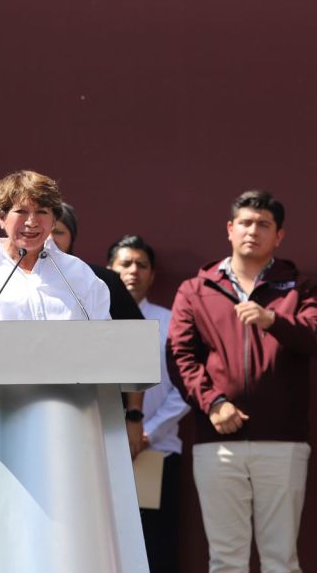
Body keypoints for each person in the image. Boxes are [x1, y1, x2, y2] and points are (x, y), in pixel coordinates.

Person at [167, 190, 317, 573]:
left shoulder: (300, 286)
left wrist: (273, 320)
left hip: (283, 441)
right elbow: (179, 356)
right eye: (245, 222)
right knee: (226, 560)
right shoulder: (196, 289)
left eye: (263, 224)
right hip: (218, 441)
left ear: (279, 235)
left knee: (281, 560)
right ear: (230, 229)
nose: (252, 231)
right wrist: (213, 403)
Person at [0, 170, 110, 457]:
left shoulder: (79, 275)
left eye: (42, 212)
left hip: (72, 422)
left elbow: (106, 346)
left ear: (54, 220)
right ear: (1, 217)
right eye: (21, 211)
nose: (31, 222)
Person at [108, 234, 189, 573]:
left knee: (155, 546)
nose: (133, 271)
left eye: (142, 265)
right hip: (102, 451)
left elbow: (185, 387)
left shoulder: (170, 323)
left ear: (152, 275)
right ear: (110, 270)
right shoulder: (94, 321)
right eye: (125, 264)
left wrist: (147, 432)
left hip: (157, 451)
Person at [52, 203, 146, 458]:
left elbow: (135, 348)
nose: (50, 239)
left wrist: (134, 415)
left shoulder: (102, 280)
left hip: (97, 415)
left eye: (59, 231)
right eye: (45, 230)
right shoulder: (9, 282)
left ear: (72, 237)